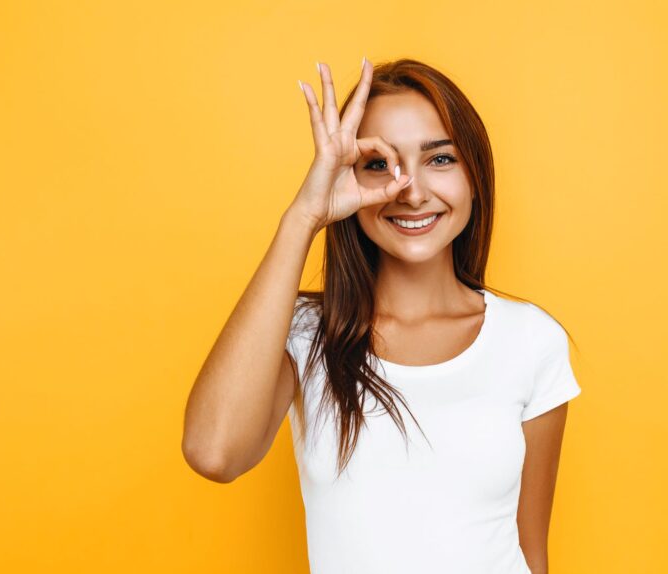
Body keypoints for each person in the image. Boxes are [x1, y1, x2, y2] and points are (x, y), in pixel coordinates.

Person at [182, 56, 582, 574]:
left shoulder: (531, 341)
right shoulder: (307, 335)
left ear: (475, 174)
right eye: (379, 164)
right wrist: (305, 216)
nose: (411, 191)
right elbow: (214, 453)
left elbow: (532, 554)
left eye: (439, 159)